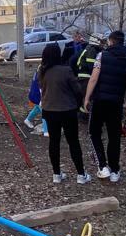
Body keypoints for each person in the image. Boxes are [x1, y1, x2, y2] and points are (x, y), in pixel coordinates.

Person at [83, 30, 126, 183]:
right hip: (117, 103)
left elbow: (93, 79)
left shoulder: (102, 56)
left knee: (94, 132)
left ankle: (102, 166)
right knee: (114, 136)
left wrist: (87, 98)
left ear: (111, 41)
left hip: (100, 100)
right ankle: (115, 170)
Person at [38, 43, 90, 184]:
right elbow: (77, 90)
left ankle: (56, 174)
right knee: (73, 142)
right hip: (67, 110)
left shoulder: (42, 71)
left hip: (49, 111)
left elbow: (41, 88)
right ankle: (81, 174)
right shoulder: (65, 70)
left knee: (54, 142)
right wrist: (78, 104)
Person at [73, 35, 101, 116]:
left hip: (83, 76)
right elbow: (91, 65)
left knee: (85, 96)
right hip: (85, 77)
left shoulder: (89, 48)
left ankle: (83, 114)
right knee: (87, 97)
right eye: (101, 41)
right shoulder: (92, 50)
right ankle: (84, 116)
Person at [23, 68, 48, 136]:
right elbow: (41, 88)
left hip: (34, 94)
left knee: (37, 108)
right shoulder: (42, 73)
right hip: (38, 96)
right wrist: (42, 100)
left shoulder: (39, 70)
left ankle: (28, 120)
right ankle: (46, 130)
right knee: (45, 112)